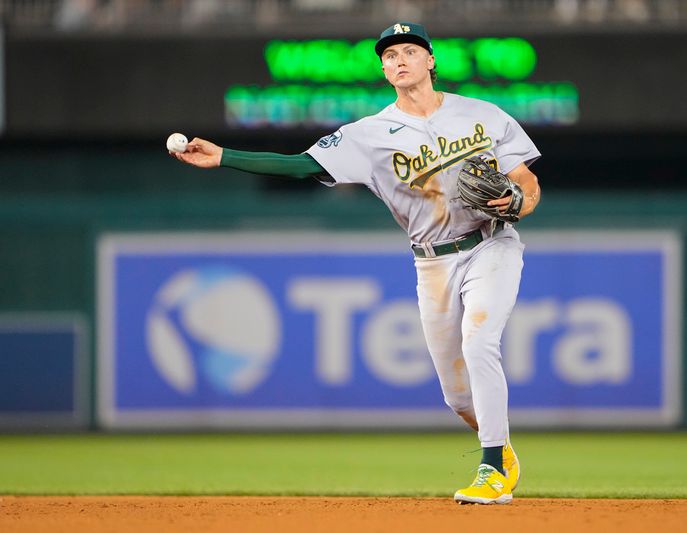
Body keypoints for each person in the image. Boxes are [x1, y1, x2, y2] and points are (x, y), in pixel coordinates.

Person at [172, 22, 542, 505]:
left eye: (411, 50)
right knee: (456, 397)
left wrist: (517, 202)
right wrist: (225, 156)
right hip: (432, 264)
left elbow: (524, 181)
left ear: (430, 60)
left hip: (492, 244)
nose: (400, 60)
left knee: (479, 341)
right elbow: (301, 164)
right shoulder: (368, 135)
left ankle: (492, 467)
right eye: (390, 55)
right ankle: (502, 447)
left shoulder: (483, 115)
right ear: (384, 69)